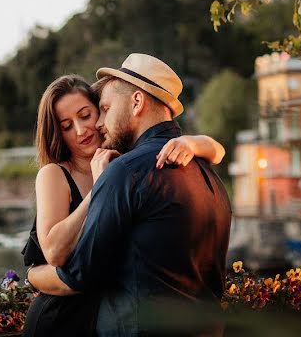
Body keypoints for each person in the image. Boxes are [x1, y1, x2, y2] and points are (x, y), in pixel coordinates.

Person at [27, 54, 233, 337]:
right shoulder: (209, 176)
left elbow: (80, 274)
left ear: (137, 102)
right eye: (66, 125)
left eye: (100, 110)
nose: (94, 125)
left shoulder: (127, 169)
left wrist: (33, 276)